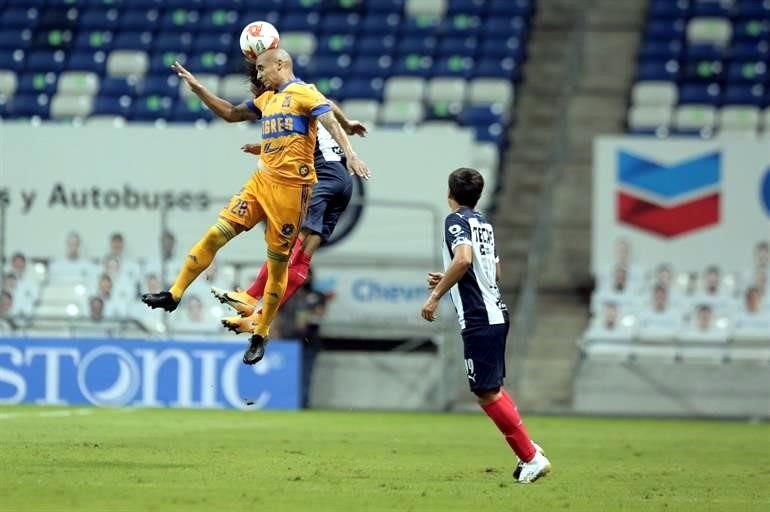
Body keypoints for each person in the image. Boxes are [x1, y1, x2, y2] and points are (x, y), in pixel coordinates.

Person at [142, 48, 370, 365]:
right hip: (261, 183)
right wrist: (198, 89)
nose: (259, 76)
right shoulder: (267, 101)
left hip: (292, 193)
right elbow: (231, 113)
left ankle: (259, 332)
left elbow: (327, 114)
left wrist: (351, 151)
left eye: (261, 69)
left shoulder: (303, 92)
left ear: (280, 64)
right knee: (215, 235)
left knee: (281, 264)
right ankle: (174, 293)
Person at [211, 61, 367, 333]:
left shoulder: (294, 99)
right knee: (303, 257)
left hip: (324, 176)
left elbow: (293, 139)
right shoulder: (310, 96)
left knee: (287, 245)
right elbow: (329, 108)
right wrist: (349, 124)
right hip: (343, 183)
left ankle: (250, 296)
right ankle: (259, 318)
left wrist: (351, 150)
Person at [420, 168, 550, 484]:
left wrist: (436, 295)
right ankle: (529, 449)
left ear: (449, 192)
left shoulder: (456, 221)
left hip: (480, 317)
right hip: (496, 313)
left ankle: (531, 457)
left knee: (485, 392)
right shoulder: (484, 224)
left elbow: (463, 259)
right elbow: (493, 271)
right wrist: (451, 277)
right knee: (489, 389)